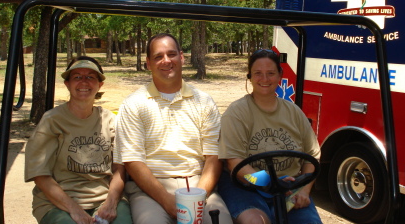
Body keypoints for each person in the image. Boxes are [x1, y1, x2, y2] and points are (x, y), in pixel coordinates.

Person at [114, 33, 232, 224]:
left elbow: (213, 157)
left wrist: (198, 198)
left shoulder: (204, 101)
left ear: (182, 57)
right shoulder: (133, 104)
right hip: (151, 189)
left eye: (171, 54)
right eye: (158, 57)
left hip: (199, 185)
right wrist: (168, 201)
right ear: (148, 63)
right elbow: (133, 162)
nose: (166, 61)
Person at [218, 49, 322, 224]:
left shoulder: (294, 112)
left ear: (280, 75)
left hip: (289, 187)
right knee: (257, 221)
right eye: (258, 73)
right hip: (245, 186)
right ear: (249, 76)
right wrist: (270, 182)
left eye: (270, 73)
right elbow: (235, 164)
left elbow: (312, 155)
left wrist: (303, 190)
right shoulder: (237, 113)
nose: (264, 79)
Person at [25, 56, 132, 224]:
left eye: (90, 77)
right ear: (67, 84)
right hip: (58, 203)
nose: (84, 82)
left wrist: (111, 203)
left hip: (104, 199)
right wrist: (74, 210)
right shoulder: (52, 121)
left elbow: (119, 169)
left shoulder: (109, 120)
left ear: (100, 84)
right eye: (77, 77)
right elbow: (40, 175)